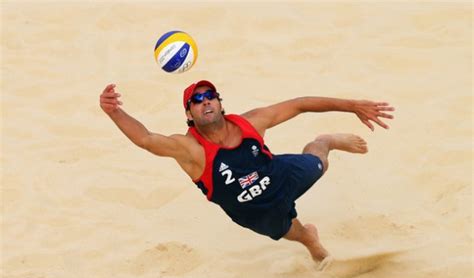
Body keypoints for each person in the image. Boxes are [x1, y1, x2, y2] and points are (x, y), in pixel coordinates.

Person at [99, 80, 394, 262]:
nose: (205, 102)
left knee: (321, 162)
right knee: (299, 235)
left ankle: (324, 141)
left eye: (210, 95)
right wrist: (114, 111)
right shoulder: (192, 151)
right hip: (254, 212)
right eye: (197, 101)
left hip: (280, 174)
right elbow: (146, 139)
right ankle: (312, 242)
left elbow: (300, 105)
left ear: (219, 102)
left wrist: (352, 105)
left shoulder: (250, 123)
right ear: (189, 114)